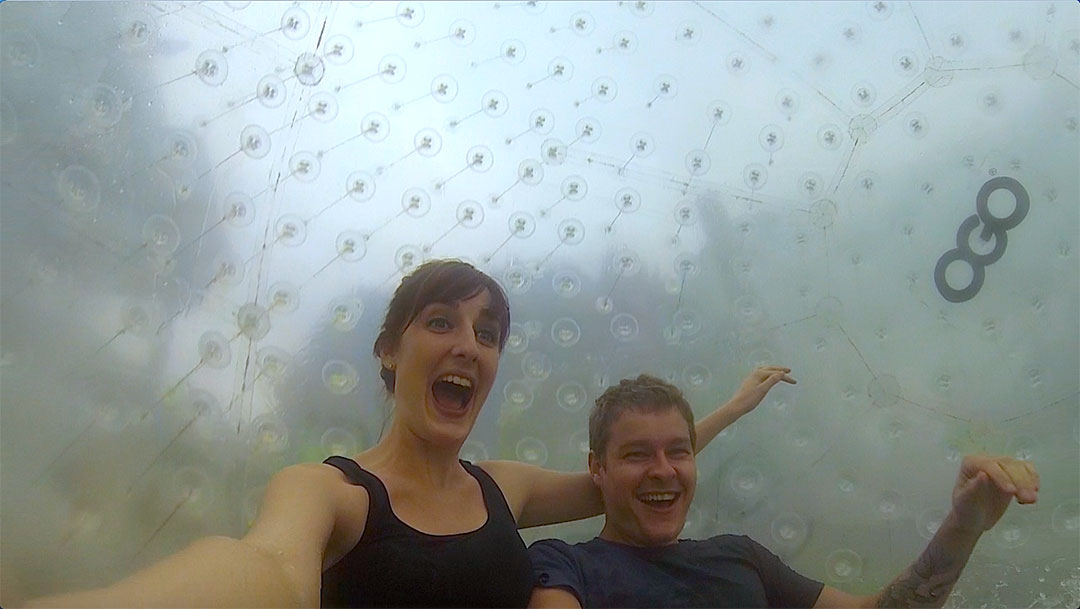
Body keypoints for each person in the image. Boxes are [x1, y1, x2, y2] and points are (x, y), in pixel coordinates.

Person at [16, 259, 796, 608]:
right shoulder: (331, 490)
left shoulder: (504, 487)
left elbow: (631, 473)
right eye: (441, 321)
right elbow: (265, 572)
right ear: (390, 350)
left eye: (487, 332)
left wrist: (727, 409)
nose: (469, 342)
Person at [528, 374, 1041, 609]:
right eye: (637, 455)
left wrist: (965, 524)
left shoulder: (739, 557)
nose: (663, 470)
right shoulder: (563, 567)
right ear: (596, 469)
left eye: (679, 451)